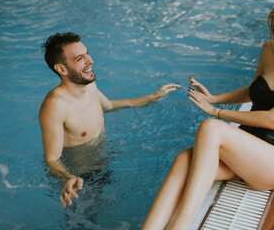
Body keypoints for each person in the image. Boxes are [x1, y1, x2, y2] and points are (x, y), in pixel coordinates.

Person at [142, 0, 274, 229]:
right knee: (183, 160)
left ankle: (181, 224)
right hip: (245, 151)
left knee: (211, 128)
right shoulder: (270, 50)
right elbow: (256, 91)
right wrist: (214, 99)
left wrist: (216, 112)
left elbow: (273, 119)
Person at [39, 32, 180, 207]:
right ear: (61, 69)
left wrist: (152, 97)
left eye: (87, 53)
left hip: (105, 159)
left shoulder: (88, 84)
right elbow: (51, 159)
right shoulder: (55, 106)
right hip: (82, 178)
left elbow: (110, 106)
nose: (90, 61)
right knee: (87, 219)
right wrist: (68, 178)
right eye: (79, 58)